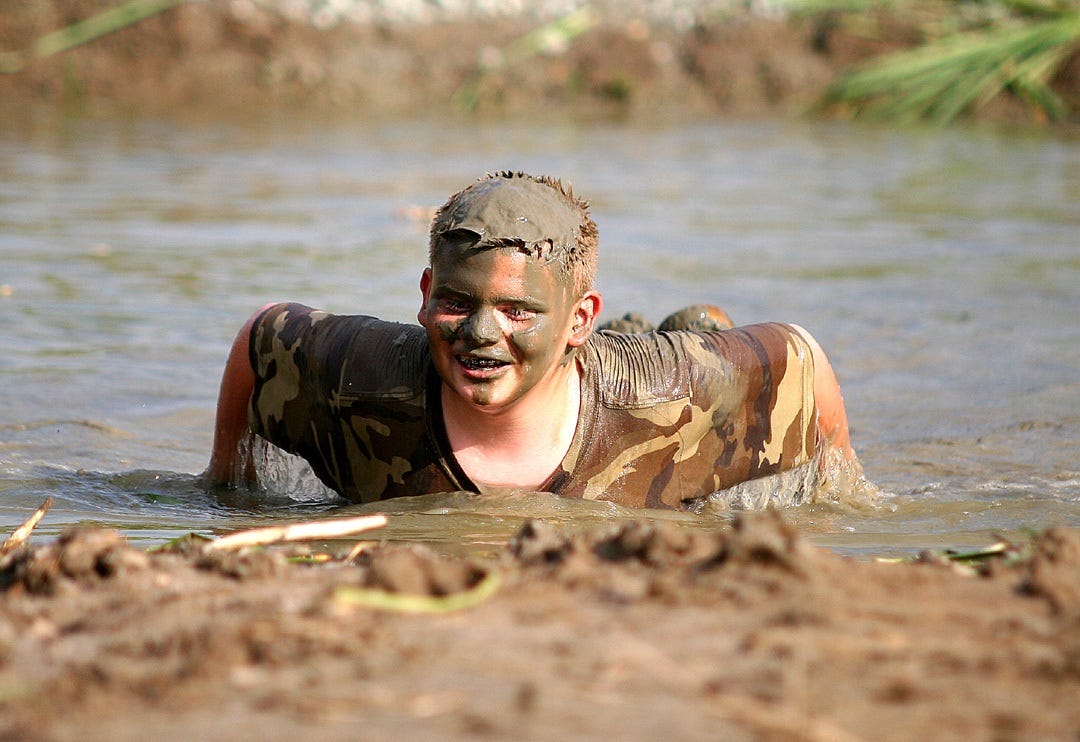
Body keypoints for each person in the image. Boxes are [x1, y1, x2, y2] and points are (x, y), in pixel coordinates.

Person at [206, 171, 860, 510]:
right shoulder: (364, 374)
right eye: (458, 303)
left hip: (641, 366)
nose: (480, 335)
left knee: (698, 331)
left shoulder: (673, 391)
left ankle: (679, 322)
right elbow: (259, 338)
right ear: (426, 291)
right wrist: (227, 480)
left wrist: (837, 489)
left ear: (578, 318)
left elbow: (801, 356)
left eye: (517, 310)